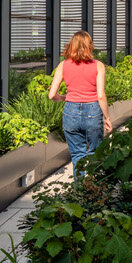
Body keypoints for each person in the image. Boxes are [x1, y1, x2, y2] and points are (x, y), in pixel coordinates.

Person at [48, 31, 112, 175]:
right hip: (93, 112)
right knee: (97, 154)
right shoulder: (98, 65)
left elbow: (52, 95)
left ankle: (80, 192)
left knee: (78, 155)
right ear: (89, 46)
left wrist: (66, 97)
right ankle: (97, 190)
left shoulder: (63, 65)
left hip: (70, 112)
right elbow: (101, 96)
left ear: (71, 45)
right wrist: (107, 118)